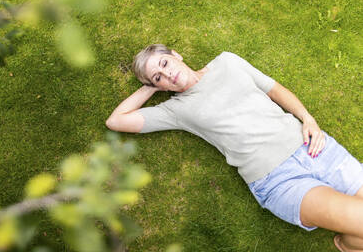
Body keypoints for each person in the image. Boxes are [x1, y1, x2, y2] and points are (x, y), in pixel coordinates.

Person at [105, 44, 363, 251]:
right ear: (157, 86)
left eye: (164, 63)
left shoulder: (227, 62)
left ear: (176, 55)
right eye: (157, 77)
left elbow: (274, 89)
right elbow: (116, 120)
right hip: (279, 180)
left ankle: (351, 244)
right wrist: (149, 88)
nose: (168, 74)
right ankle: (346, 243)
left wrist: (308, 119)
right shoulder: (175, 110)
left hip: (316, 147)